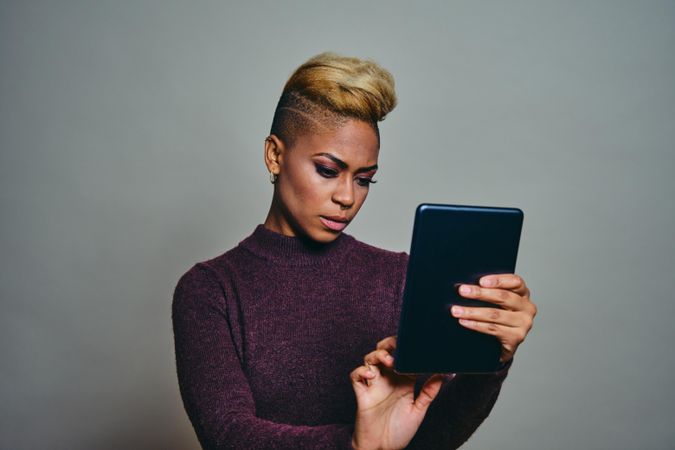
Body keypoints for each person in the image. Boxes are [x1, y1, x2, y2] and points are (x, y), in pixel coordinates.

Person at [172, 52, 536, 450]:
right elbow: (227, 435)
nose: (347, 197)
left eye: (365, 180)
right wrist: (355, 444)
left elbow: (432, 438)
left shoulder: (400, 277)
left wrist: (492, 361)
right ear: (275, 155)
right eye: (328, 171)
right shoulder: (210, 290)